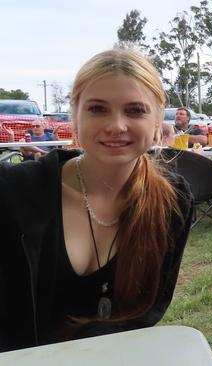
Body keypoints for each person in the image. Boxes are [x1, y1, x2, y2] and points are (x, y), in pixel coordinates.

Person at [0, 48, 193, 352]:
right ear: (74, 114)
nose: (116, 125)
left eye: (135, 110)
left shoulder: (173, 200)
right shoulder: (14, 192)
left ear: (158, 117)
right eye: (98, 109)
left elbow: (147, 313)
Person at [161, 123, 212, 212]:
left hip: (183, 189)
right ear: (164, 136)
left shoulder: (157, 153)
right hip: (196, 188)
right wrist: (198, 156)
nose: (176, 137)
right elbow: (189, 174)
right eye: (173, 134)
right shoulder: (172, 153)